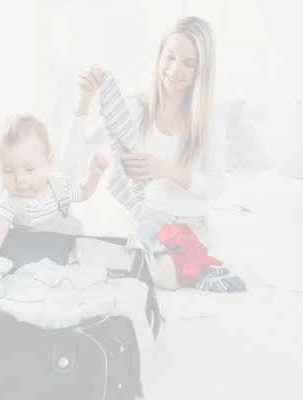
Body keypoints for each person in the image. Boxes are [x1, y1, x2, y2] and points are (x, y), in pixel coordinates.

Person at [60, 16, 226, 290]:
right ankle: (155, 258)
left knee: (165, 278)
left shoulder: (209, 118)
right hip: (147, 218)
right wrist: (83, 100)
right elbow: (70, 154)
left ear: (201, 70)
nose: (174, 70)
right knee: (92, 258)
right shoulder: (136, 108)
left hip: (190, 225)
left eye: (188, 63)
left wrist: (166, 170)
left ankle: (190, 264)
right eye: (169, 57)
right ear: (160, 55)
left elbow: (216, 187)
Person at [0, 114, 109, 293]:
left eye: (29, 169)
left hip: (73, 252)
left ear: (48, 163)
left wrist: (94, 175)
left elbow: (83, 192)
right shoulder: (10, 202)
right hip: (39, 265)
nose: (20, 179)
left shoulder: (60, 184)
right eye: (8, 171)